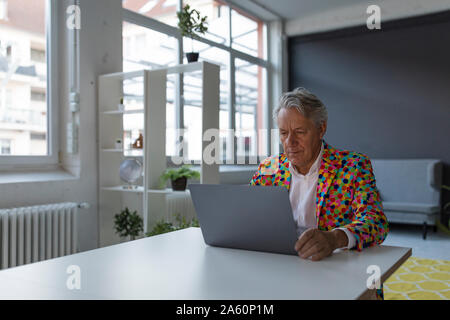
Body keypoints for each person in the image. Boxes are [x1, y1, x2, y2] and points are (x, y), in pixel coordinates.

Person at [250, 87, 389, 299]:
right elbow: (247, 214)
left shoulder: (353, 165)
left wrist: (335, 238)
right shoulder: (268, 168)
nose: (290, 143)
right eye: (284, 133)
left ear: (321, 129)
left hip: (338, 271)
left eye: (300, 132)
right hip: (279, 270)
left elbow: (376, 222)